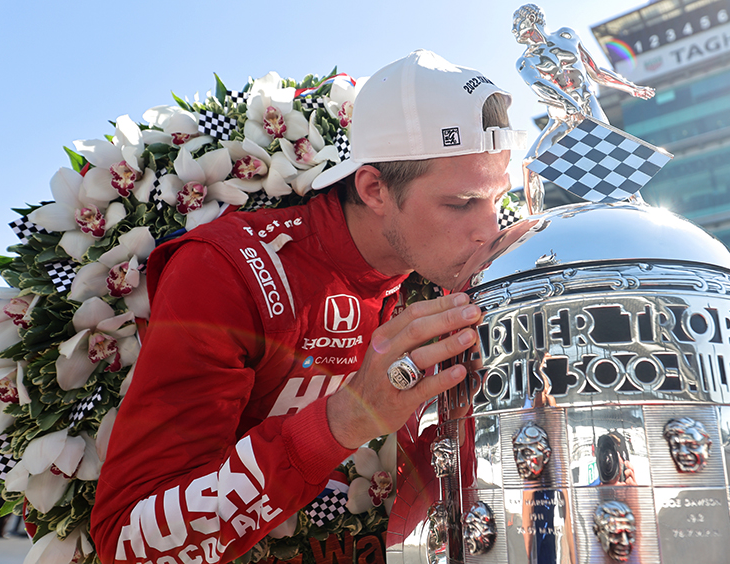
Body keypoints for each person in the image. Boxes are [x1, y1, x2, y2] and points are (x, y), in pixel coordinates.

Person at [90, 49, 527, 564]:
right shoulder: (226, 272)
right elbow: (126, 542)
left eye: (498, 198)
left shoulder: (461, 284)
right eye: (460, 203)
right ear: (373, 188)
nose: (489, 231)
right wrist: (344, 419)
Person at [511, 4, 655, 213]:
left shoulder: (567, 36)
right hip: (561, 118)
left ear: (531, 18)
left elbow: (595, 72)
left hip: (587, 104)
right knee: (530, 162)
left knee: (611, 148)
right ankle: (534, 220)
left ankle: (637, 201)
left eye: (517, 22)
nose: (514, 29)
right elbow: (539, 85)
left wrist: (631, 88)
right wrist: (569, 104)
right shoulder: (526, 61)